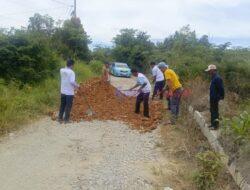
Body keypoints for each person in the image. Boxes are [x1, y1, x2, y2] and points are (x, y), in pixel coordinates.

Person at [58, 59, 79, 124]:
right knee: (68, 106)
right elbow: (72, 81)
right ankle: (66, 119)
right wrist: (77, 85)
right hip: (69, 92)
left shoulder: (61, 70)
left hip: (63, 91)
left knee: (62, 105)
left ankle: (60, 118)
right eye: (73, 65)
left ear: (66, 64)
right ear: (72, 65)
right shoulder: (72, 72)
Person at [205, 64, 224, 130]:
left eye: (209, 71)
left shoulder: (217, 78)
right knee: (212, 111)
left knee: (215, 112)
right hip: (212, 97)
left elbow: (221, 89)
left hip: (215, 98)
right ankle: (213, 124)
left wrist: (219, 97)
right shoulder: (213, 78)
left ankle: (215, 126)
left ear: (213, 70)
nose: (208, 72)